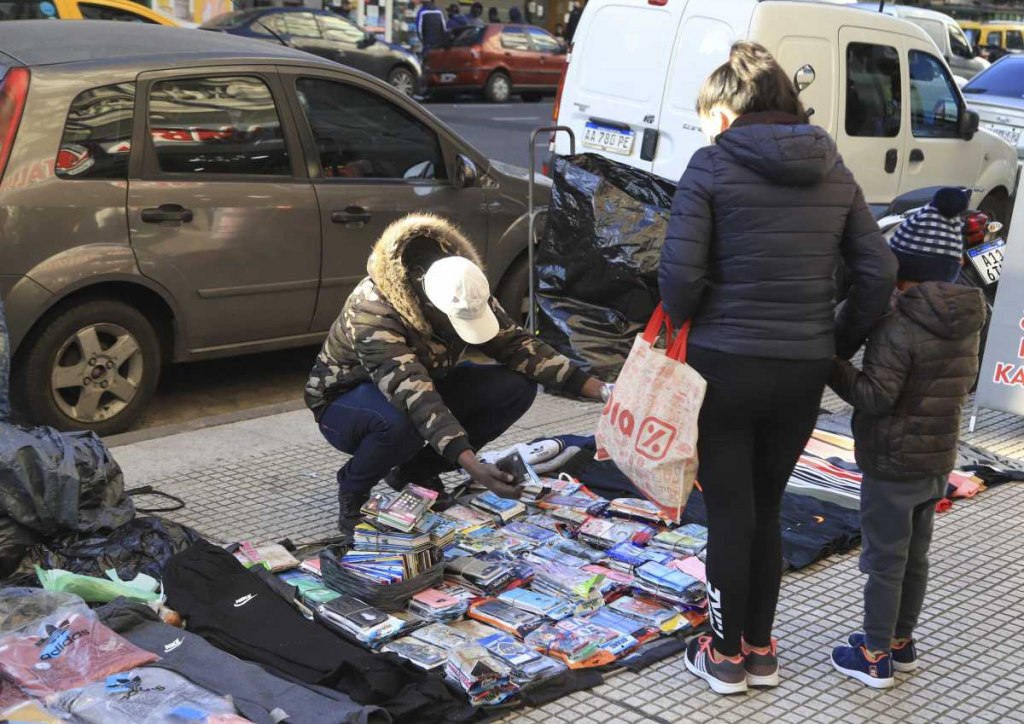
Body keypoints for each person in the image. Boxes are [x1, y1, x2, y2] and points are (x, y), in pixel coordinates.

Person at [659, 41, 896, 695]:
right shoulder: (834, 168)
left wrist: (697, 318)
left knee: (731, 509)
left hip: (723, 367)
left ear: (728, 111)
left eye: (708, 113)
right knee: (766, 505)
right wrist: (833, 342)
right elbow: (878, 271)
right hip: (801, 367)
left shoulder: (709, 167)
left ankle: (724, 654)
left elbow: (679, 281)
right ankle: (760, 649)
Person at [305, 214, 607, 536]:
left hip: (423, 383)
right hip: (346, 401)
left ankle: (416, 472)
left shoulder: (462, 284)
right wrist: (473, 466)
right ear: (425, 301)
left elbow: (518, 346)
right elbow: (414, 394)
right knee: (400, 424)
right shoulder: (372, 312)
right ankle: (353, 490)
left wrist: (603, 392)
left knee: (514, 386)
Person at [829, 188, 985, 689]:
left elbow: (876, 396)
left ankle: (874, 654)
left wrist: (832, 367)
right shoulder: (967, 317)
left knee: (884, 560)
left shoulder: (899, 324)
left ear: (903, 267)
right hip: (937, 458)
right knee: (915, 555)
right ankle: (901, 641)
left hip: (892, 461)